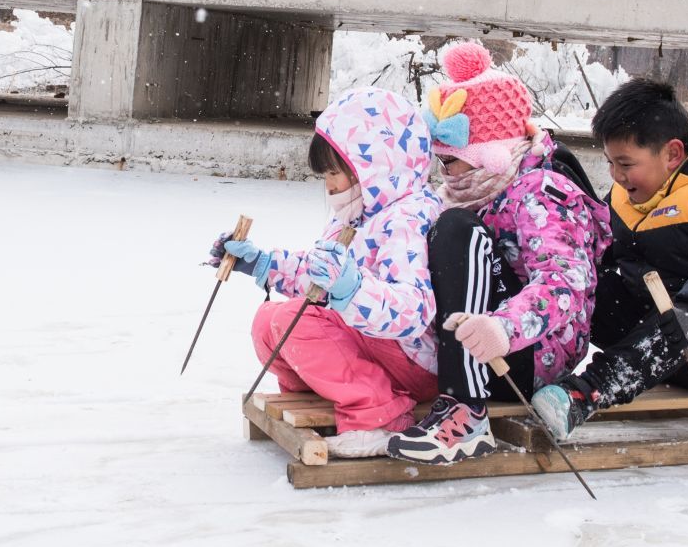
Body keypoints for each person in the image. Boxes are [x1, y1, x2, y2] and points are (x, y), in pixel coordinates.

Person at [385, 41, 613, 465]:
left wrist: (504, 328)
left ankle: (466, 412)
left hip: (527, 352)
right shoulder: (466, 190)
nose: (443, 171)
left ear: (489, 153)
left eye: (451, 160)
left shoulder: (542, 194)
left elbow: (566, 282)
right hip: (475, 339)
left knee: (456, 232)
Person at [531, 78, 688, 440]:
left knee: (679, 313)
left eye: (626, 163)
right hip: (657, 336)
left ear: (672, 154)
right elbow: (591, 253)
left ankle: (586, 393)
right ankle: (536, 366)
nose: (617, 175)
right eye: (610, 163)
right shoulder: (624, 197)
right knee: (583, 284)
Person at [212, 86, 440, 458]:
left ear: (376, 166)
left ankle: (378, 416)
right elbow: (319, 275)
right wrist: (264, 264)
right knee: (267, 320)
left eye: (334, 172)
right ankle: (325, 392)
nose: (328, 184)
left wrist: (353, 290)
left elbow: (414, 312)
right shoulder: (354, 211)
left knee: (294, 320)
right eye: (324, 174)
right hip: (377, 345)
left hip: (414, 358)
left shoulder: (406, 219)